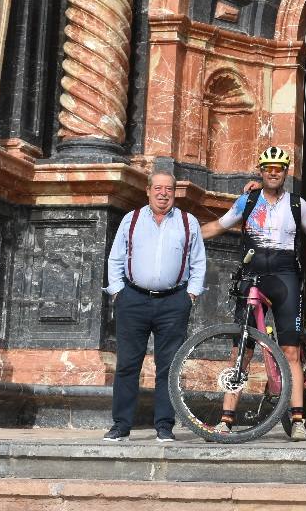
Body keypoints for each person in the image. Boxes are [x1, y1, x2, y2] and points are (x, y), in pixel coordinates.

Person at [201, 146, 306, 440]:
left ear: (285, 172)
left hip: (285, 278)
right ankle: (226, 419)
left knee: (291, 350)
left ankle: (297, 420)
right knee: (240, 350)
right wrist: (184, 234)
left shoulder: (297, 204)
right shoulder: (248, 200)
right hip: (251, 276)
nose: (273, 172)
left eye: (278, 168)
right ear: (261, 170)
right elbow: (218, 226)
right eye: (268, 168)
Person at [103, 168, 206, 443]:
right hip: (133, 300)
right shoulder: (131, 220)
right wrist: (118, 293)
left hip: (174, 302)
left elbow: (198, 262)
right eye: (158, 188)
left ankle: (164, 426)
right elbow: (116, 258)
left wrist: (190, 295)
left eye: (169, 189)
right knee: (127, 364)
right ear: (148, 190)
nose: (163, 194)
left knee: (168, 366)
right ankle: (121, 426)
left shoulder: (188, 221)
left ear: (175, 193)